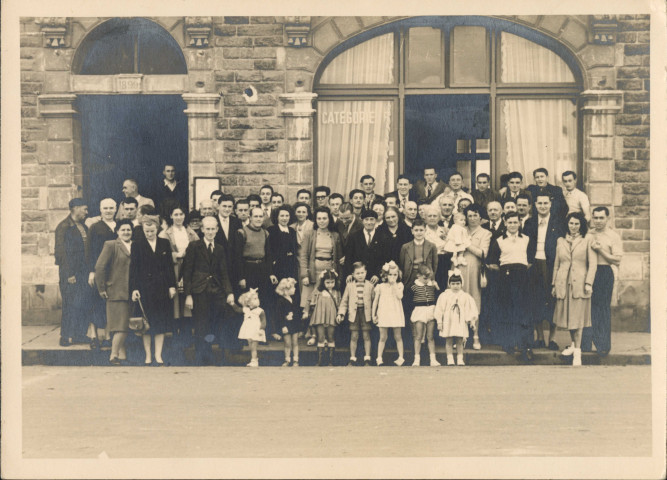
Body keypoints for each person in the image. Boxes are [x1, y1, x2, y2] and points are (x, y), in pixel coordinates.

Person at [181, 216, 236, 365]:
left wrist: (229, 292)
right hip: (199, 291)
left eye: (213, 229)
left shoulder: (219, 249)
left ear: (217, 230)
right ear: (202, 229)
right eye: (207, 229)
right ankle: (201, 355)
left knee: (215, 322)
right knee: (201, 324)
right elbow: (187, 272)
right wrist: (188, 295)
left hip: (216, 291)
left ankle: (212, 352)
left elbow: (224, 273)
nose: (210, 232)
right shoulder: (194, 246)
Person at [486, 212, 536, 362]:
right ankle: (508, 343)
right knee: (507, 310)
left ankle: (525, 346)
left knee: (523, 310)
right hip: (505, 277)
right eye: (510, 222)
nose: (513, 225)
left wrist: (519, 271)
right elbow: (492, 262)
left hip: (522, 277)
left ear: (519, 223)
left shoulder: (526, 239)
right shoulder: (499, 240)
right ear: (505, 222)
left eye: (515, 222)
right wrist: (505, 271)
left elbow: (531, 260)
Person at [129, 216, 177, 366]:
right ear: (143, 230)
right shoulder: (137, 245)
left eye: (152, 230)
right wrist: (134, 288)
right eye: (146, 231)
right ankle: (148, 356)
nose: (149, 233)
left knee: (160, 323)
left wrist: (171, 286)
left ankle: (158, 355)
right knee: (146, 324)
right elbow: (134, 269)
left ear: (157, 229)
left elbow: (169, 266)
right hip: (144, 289)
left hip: (161, 288)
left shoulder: (164, 243)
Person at [552, 212, 597, 367]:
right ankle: (573, 344)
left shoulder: (587, 239)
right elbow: (557, 264)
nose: (573, 226)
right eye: (571, 223)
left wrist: (588, 283)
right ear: (567, 224)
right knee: (568, 319)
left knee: (577, 319)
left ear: (581, 225)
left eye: (577, 224)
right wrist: (554, 284)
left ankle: (577, 352)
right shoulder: (560, 240)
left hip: (580, 284)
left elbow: (592, 264)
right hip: (563, 283)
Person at [524, 194, 566, 350]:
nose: (542, 206)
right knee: (535, 300)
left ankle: (552, 338)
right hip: (534, 264)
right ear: (535, 205)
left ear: (550, 204)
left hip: (551, 265)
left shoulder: (559, 223)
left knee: (552, 300)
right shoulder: (529, 223)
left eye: (545, 203)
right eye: (539, 203)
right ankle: (540, 337)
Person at [581, 207, 622, 356]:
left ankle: (603, 345)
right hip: (588, 273)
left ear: (607, 218)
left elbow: (617, 259)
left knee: (602, 309)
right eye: (595, 218)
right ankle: (585, 344)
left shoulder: (613, 236)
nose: (598, 221)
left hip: (604, 272)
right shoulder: (588, 234)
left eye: (601, 218)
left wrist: (600, 251)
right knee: (588, 309)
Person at [159, 205, 200, 345]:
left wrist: (189, 256)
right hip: (174, 268)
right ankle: (177, 335)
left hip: (189, 267)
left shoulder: (191, 232)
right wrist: (176, 255)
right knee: (176, 299)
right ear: (171, 216)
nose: (178, 217)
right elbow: (160, 253)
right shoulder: (165, 233)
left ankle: (187, 334)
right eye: (175, 214)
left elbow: (199, 248)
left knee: (187, 296)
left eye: (181, 214)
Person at [94, 219, 134, 365]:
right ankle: (113, 355)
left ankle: (122, 356)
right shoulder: (111, 245)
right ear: (117, 231)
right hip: (116, 291)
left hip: (131, 292)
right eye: (123, 230)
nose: (126, 232)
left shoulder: (134, 245)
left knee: (124, 325)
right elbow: (100, 267)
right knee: (120, 326)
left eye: (129, 229)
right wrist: (102, 288)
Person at [54, 198, 91, 346]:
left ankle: (79, 335)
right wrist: (69, 274)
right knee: (70, 305)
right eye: (84, 209)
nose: (87, 212)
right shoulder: (63, 227)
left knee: (82, 304)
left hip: (83, 273)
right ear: (75, 208)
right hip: (70, 275)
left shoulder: (83, 226)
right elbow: (60, 253)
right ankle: (65, 336)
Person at [237, 207, 278, 339]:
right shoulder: (242, 232)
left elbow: (268, 255)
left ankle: (264, 333)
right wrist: (241, 276)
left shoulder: (265, 233)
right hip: (247, 269)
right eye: (256, 216)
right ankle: (247, 335)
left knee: (264, 301)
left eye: (261, 216)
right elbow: (237, 257)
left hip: (262, 269)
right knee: (249, 302)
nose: (259, 219)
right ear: (250, 217)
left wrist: (271, 273)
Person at [458, 204, 492, 350]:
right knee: (458, 301)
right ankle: (460, 336)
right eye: (469, 215)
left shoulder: (485, 233)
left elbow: (483, 253)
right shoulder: (460, 230)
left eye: (475, 215)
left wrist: (466, 244)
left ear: (480, 217)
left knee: (474, 302)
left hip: (475, 271)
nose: (472, 218)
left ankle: (476, 336)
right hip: (459, 270)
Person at [299, 207, 343, 318]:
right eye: (319, 218)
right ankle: (309, 332)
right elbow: (303, 255)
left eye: (324, 218)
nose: (321, 221)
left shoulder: (335, 235)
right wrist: (304, 274)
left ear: (329, 219)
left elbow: (338, 257)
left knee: (324, 303)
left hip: (328, 273)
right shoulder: (310, 234)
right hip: (313, 272)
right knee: (309, 304)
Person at [87, 198, 118, 349]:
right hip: (99, 271)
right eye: (105, 208)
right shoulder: (94, 227)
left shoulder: (119, 226)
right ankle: (93, 336)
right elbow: (89, 250)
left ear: (116, 209)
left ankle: (107, 336)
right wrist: (91, 271)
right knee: (95, 302)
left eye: (111, 208)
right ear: (100, 210)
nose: (108, 211)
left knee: (109, 303)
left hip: (115, 271)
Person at [434, 270, 479, 366]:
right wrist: (439, 322)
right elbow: (439, 309)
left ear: (461, 284)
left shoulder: (465, 296)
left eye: (458, 283)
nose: (455, 286)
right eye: (453, 283)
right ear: (449, 284)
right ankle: (449, 358)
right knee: (449, 340)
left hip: (460, 321)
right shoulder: (444, 295)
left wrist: (472, 321)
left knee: (459, 340)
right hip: (448, 321)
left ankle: (460, 358)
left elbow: (469, 309)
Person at [337, 262, 374, 366]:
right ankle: (352, 358)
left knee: (366, 335)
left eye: (362, 272)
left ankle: (367, 358)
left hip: (366, 313)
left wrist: (375, 315)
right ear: (353, 275)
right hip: (354, 313)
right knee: (354, 336)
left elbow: (374, 301)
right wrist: (341, 314)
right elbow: (344, 302)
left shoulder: (370, 286)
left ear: (366, 273)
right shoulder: (349, 286)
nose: (360, 275)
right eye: (358, 273)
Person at [304, 269, 341, 366]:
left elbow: (340, 305)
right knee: (320, 337)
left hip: (332, 316)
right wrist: (306, 311)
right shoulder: (318, 291)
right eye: (327, 282)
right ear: (323, 282)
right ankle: (320, 361)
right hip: (319, 316)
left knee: (331, 337)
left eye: (332, 282)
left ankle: (330, 361)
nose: (330, 284)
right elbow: (309, 300)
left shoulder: (337, 292)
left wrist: (340, 314)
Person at [372, 261, 405, 366]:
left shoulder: (400, 285)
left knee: (398, 336)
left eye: (395, 274)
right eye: (390, 274)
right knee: (383, 337)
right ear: (385, 275)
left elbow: (399, 296)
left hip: (395, 313)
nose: (392, 277)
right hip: (384, 312)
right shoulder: (380, 286)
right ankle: (379, 357)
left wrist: (394, 284)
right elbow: (375, 302)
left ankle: (401, 357)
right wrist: (373, 315)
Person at [343, 209, 388, 283]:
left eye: (372, 219)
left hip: (375, 278)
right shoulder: (354, 236)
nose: (369, 222)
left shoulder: (383, 237)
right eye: (366, 219)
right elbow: (348, 258)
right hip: (358, 277)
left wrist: (377, 274)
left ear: (376, 221)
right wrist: (350, 273)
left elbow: (384, 258)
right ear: (362, 221)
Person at [410, 264, 440, 367]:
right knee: (418, 336)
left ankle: (433, 359)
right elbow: (408, 300)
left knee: (430, 336)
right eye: (424, 277)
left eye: (429, 277)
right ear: (418, 276)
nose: (427, 280)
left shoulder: (432, 286)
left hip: (430, 310)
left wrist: (436, 286)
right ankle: (416, 359)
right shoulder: (414, 287)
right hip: (419, 311)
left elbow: (439, 294)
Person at [275, 278, 301, 367]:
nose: (294, 289)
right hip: (286, 325)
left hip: (294, 324)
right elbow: (279, 315)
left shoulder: (294, 299)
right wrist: (283, 324)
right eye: (292, 288)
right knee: (287, 343)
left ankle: (296, 359)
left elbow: (297, 312)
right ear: (286, 290)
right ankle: (287, 359)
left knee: (295, 342)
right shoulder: (280, 301)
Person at [237, 289, 266, 367]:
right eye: (254, 299)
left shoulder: (260, 311)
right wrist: (232, 304)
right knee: (250, 345)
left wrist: (261, 329)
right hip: (249, 330)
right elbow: (237, 310)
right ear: (248, 302)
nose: (257, 300)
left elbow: (263, 321)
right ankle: (254, 359)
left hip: (256, 330)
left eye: (257, 298)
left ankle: (254, 360)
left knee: (253, 346)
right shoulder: (246, 309)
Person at [423, 204, 449, 289]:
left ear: (439, 218)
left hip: (445, 262)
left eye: (435, 216)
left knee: (444, 287)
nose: (432, 218)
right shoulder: (422, 231)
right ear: (425, 218)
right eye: (429, 216)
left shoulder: (445, 230)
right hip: (429, 263)